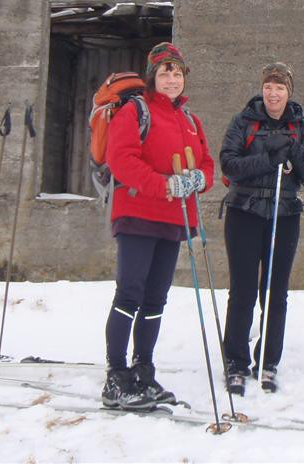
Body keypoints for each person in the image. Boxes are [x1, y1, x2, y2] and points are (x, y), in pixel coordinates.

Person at [102, 42, 215, 410]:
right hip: (138, 213)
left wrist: (198, 180)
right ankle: (116, 377)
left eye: (178, 72)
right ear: (153, 77)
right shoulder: (136, 111)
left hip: (173, 219)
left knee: (155, 298)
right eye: (165, 71)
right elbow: (122, 159)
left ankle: (143, 371)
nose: (172, 78)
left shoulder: (190, 120)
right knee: (130, 293)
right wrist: (165, 185)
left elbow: (207, 163)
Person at [219, 62, 304, 395]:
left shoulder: (300, 124)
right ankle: (235, 362)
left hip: (285, 212)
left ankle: (267, 360)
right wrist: (269, 160)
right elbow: (229, 164)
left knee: (275, 293)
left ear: (288, 91)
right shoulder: (244, 121)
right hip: (245, 210)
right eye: (268, 86)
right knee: (243, 291)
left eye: (279, 87)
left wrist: (292, 149)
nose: (273, 93)